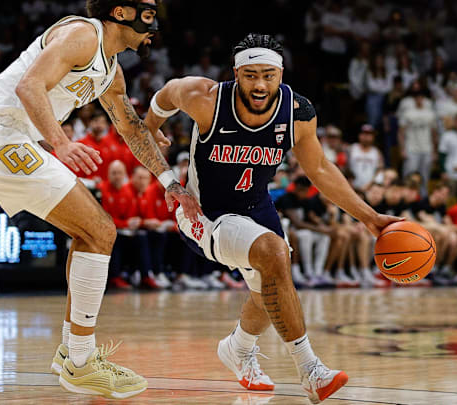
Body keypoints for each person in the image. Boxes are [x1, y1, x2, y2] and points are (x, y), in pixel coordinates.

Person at [0, 0, 201, 399]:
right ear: (121, 12)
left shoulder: (111, 71)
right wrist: (62, 144)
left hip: (2, 138)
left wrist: (170, 182)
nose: (155, 23)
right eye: (149, 12)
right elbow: (29, 85)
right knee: (101, 230)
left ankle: (74, 354)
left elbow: (134, 130)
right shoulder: (84, 34)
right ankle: (80, 362)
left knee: (92, 233)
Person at [144, 33, 402, 404]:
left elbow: (320, 169)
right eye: (250, 75)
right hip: (203, 212)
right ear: (236, 73)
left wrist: (370, 217)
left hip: (256, 207)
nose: (260, 84)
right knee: (274, 253)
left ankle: (238, 348)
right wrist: (153, 124)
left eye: (268, 74)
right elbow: (165, 94)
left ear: (281, 74)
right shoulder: (206, 97)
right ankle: (310, 370)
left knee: (270, 290)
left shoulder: (297, 113)